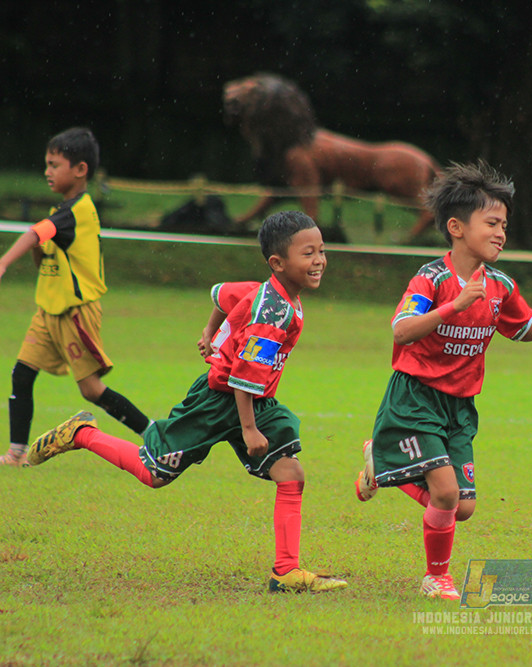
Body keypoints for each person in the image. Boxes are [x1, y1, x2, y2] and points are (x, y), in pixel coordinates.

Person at [26, 210, 346, 593]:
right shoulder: (272, 314)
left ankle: (286, 572)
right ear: (278, 264)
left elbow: (221, 293)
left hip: (252, 400)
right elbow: (242, 375)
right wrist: (248, 429)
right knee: (154, 475)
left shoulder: (273, 291)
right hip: (219, 401)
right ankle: (82, 433)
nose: (319, 260)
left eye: (321, 251)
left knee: (290, 473)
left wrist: (210, 331)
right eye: (308, 253)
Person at [353, 161, 532, 600]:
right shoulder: (433, 278)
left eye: (504, 224)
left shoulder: (499, 284)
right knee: (444, 492)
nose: (502, 232)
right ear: (457, 227)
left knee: (462, 507)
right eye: (492, 223)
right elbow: (401, 330)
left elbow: (522, 328)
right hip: (415, 399)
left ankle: (382, 464)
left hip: (459, 407)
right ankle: (435, 577)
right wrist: (454, 306)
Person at [0, 128, 150, 466]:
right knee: (22, 374)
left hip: (75, 313)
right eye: (46, 164)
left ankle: (155, 434)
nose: (47, 171)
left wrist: (4, 262)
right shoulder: (61, 211)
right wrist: (40, 250)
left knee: (91, 389)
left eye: (54, 164)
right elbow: (44, 249)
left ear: (80, 169)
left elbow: (35, 232)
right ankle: (16, 453)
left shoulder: (78, 211)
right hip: (48, 310)